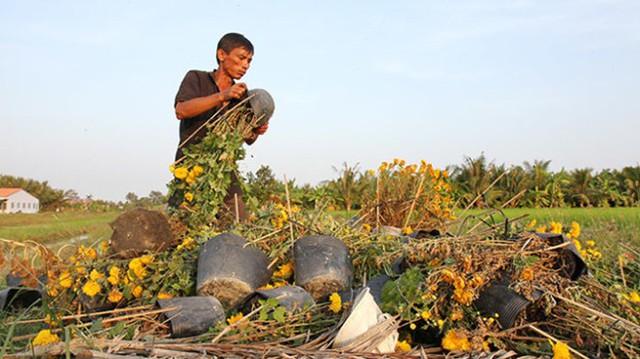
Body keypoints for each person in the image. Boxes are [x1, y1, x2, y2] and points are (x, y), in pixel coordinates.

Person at [172, 32, 268, 221]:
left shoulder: (243, 97)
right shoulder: (197, 78)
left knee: (238, 225)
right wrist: (222, 96)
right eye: (241, 58)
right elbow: (181, 110)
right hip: (191, 171)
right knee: (185, 228)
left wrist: (256, 131)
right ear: (222, 55)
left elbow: (246, 139)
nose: (245, 66)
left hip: (224, 176)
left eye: (249, 61)